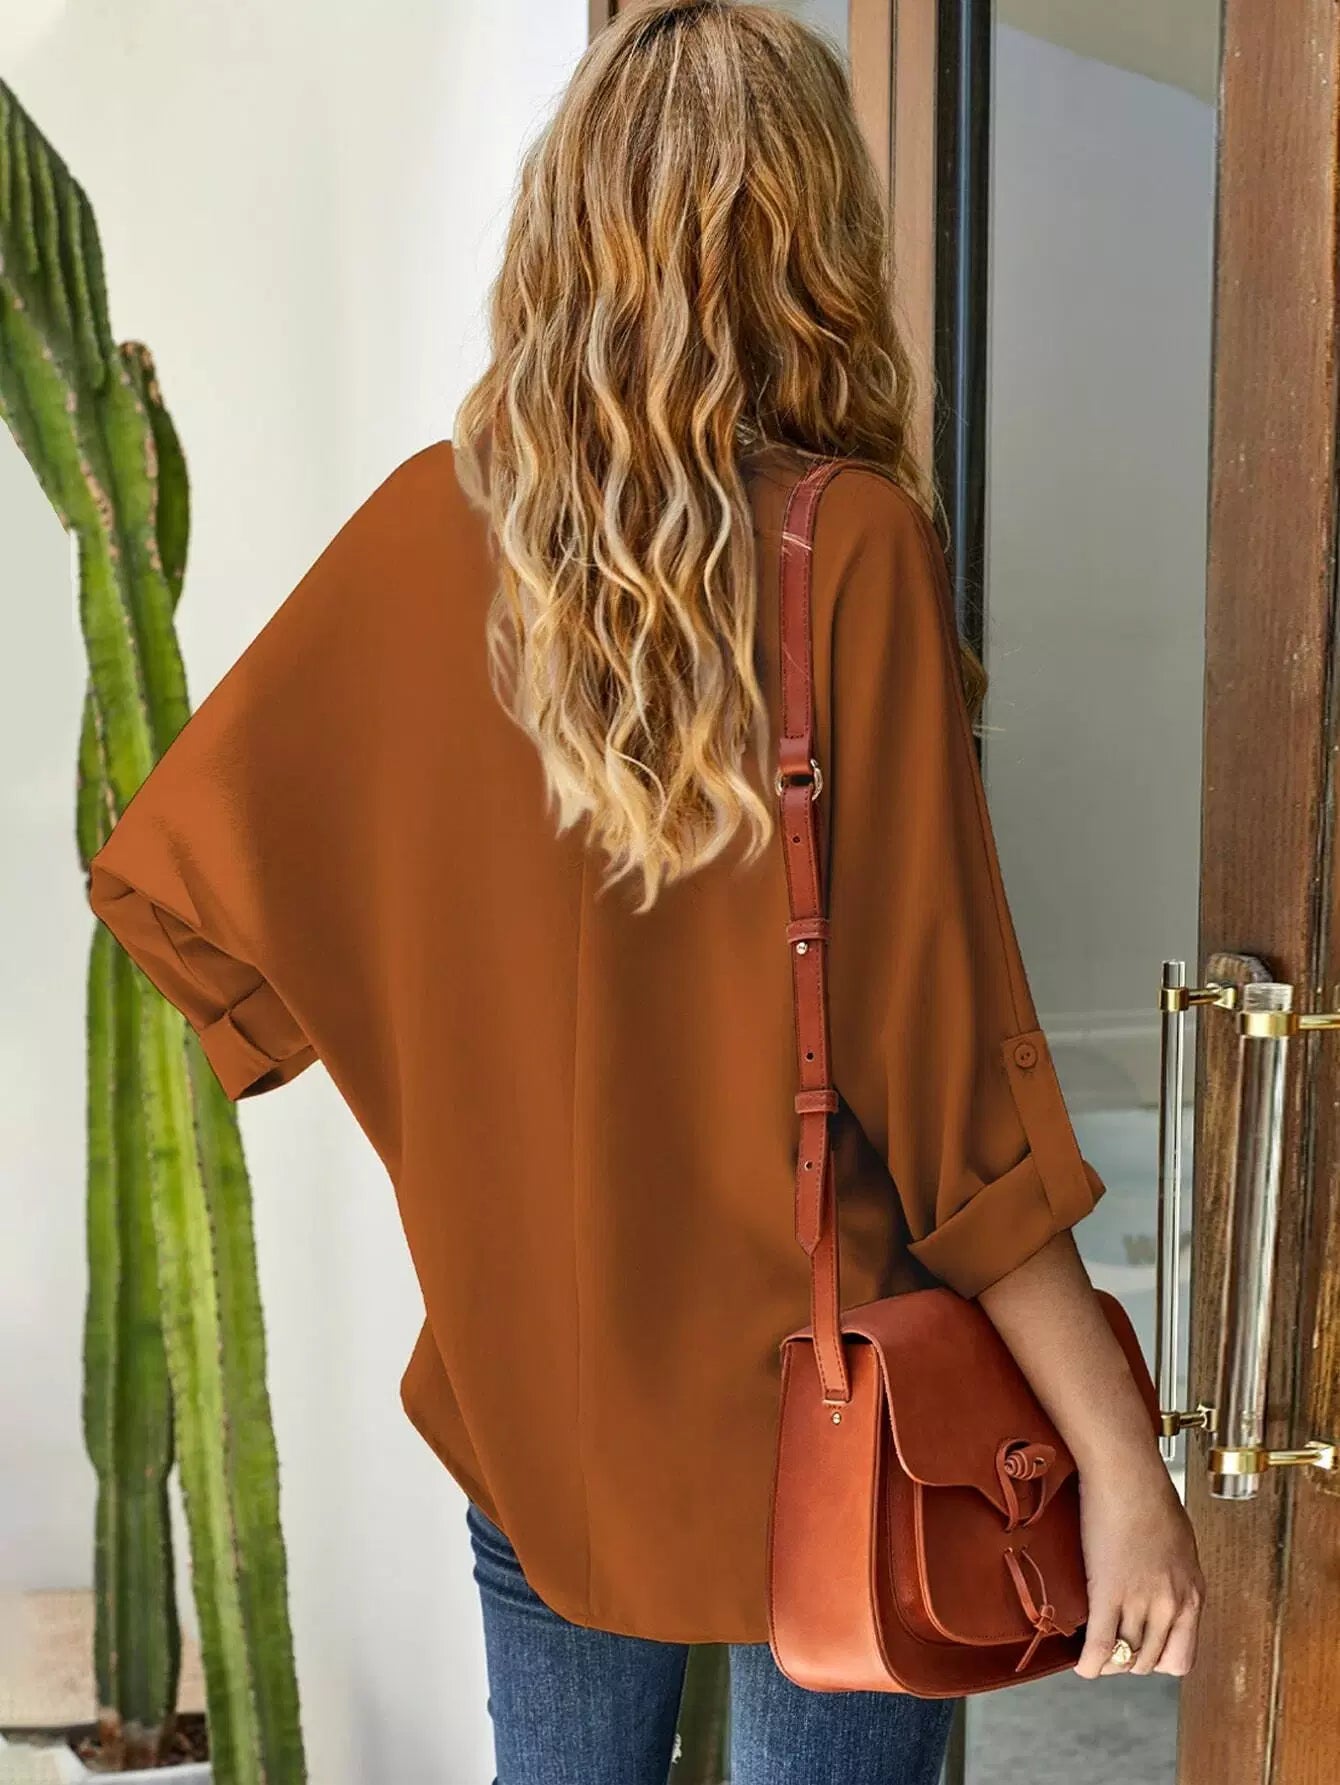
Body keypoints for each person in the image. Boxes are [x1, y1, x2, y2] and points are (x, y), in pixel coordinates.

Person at [85, 2, 1205, 1780]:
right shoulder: (848, 552)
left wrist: (440, 1091)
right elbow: (956, 1097)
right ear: (813, 240)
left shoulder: (420, 535)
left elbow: (177, 881)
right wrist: (1123, 1463)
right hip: (826, 1416)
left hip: (536, 1410)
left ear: (568, 225)